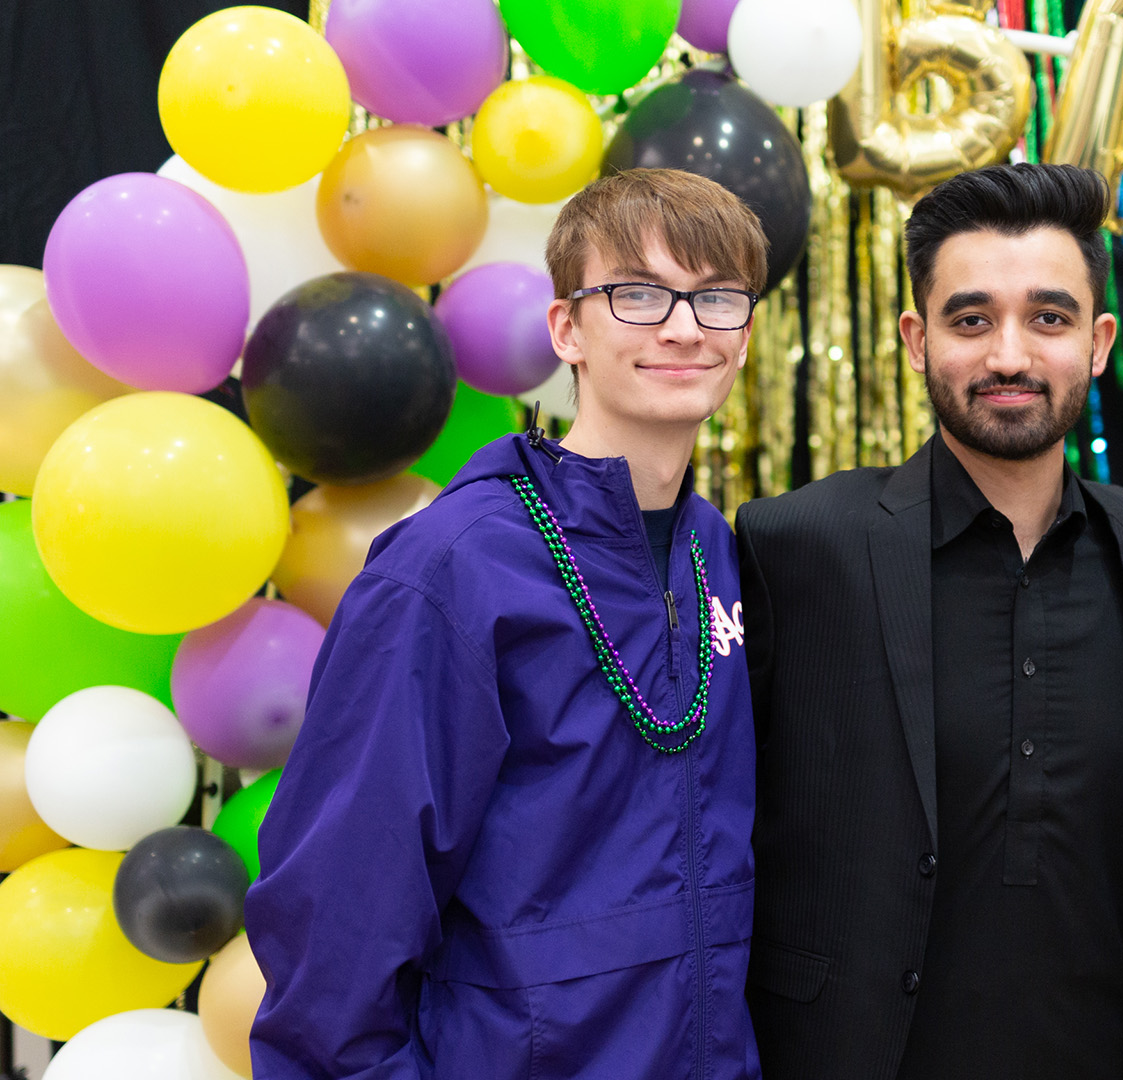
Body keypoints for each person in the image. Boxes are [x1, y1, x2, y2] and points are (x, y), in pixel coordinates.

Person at [245, 169, 768, 1079]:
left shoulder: (713, 550)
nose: (684, 328)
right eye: (638, 294)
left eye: (716, 298)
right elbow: (337, 932)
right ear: (568, 328)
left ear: (746, 334)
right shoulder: (450, 569)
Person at [736, 162, 1123, 1080]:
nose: (1008, 357)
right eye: (970, 319)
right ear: (917, 337)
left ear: (1100, 341)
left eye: (1049, 318)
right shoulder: (796, 545)